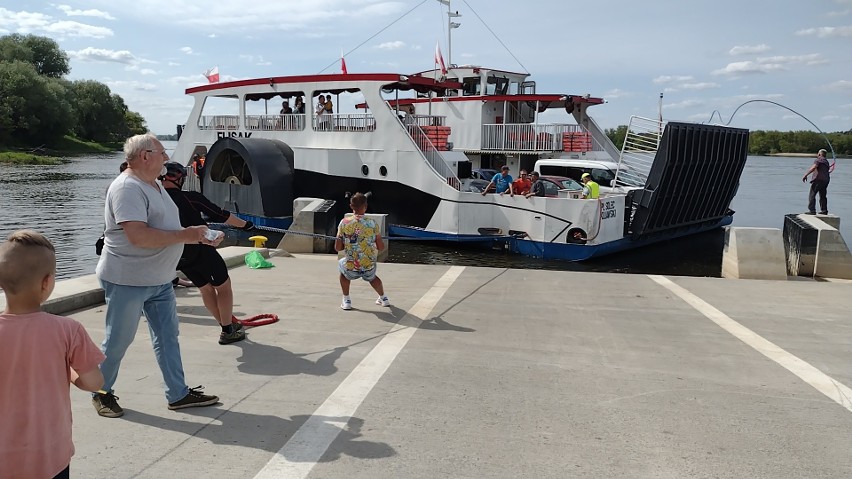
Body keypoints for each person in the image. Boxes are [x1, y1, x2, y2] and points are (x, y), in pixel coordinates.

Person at [94, 133, 221, 418]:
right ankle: (101, 392)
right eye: (162, 153)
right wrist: (186, 236)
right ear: (145, 156)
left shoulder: (152, 184)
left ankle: (178, 394)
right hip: (128, 280)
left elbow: (165, 226)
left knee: (167, 337)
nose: (166, 158)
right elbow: (138, 236)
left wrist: (198, 235)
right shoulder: (127, 188)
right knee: (118, 340)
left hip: (159, 280)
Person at [0, 230, 106, 479]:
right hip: (49, 455)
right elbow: (94, 383)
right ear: (46, 282)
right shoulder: (68, 330)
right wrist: (68, 373)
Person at [161, 162, 254, 345]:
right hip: (200, 249)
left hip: (178, 255)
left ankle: (225, 325)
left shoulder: (155, 200)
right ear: (180, 179)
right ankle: (228, 330)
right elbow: (220, 215)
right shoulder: (190, 198)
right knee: (223, 287)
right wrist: (246, 225)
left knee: (205, 289)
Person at [335, 192, 390, 310]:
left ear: (351, 206)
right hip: (368, 263)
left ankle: (346, 300)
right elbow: (380, 247)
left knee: (342, 268)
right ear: (365, 206)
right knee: (373, 277)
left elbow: (338, 248)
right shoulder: (372, 223)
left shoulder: (344, 223)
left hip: (351, 264)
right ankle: (384, 298)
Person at [802, 148, 830, 215]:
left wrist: (806, 174)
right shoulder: (826, 161)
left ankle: (812, 210)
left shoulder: (818, 160)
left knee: (812, 194)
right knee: (823, 196)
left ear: (820, 154)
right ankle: (824, 210)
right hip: (826, 180)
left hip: (818, 180)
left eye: (818, 153)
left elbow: (814, 167)